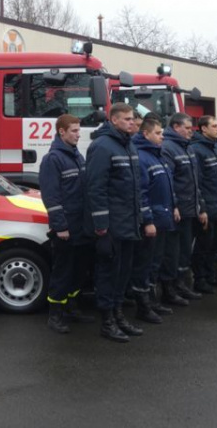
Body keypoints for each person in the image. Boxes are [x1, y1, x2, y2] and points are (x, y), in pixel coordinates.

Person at [85, 102, 144, 342]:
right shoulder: (101, 147)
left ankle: (119, 315)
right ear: (115, 120)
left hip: (129, 223)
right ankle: (107, 322)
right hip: (112, 227)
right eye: (128, 119)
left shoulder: (128, 145)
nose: (133, 122)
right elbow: (95, 189)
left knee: (123, 273)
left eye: (133, 119)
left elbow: (134, 188)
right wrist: (102, 227)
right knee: (109, 274)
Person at [40, 114, 93, 334]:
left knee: (78, 271)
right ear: (61, 132)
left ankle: (72, 307)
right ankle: (55, 315)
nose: (78, 135)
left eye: (78, 130)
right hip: (66, 229)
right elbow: (51, 198)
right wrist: (60, 226)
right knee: (62, 273)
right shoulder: (53, 159)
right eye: (74, 131)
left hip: (80, 227)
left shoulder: (76, 155)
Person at [129, 117, 179, 323]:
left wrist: (174, 206)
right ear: (146, 134)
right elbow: (142, 193)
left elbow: (166, 186)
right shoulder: (141, 157)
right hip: (152, 221)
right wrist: (148, 220)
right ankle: (143, 306)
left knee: (156, 262)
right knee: (146, 265)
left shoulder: (157, 156)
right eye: (158, 133)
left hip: (163, 217)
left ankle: (153, 301)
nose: (162, 136)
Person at [160, 113, 208, 305]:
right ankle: (170, 290)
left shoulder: (186, 147)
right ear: (176, 127)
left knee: (184, 252)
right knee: (173, 253)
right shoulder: (168, 148)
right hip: (177, 211)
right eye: (187, 128)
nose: (191, 132)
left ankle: (181, 285)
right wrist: (174, 206)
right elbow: (169, 182)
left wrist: (201, 206)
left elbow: (195, 182)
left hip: (190, 209)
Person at [189, 116, 217, 289]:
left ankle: (211, 275)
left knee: (215, 244)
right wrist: (203, 208)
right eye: (214, 126)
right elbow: (197, 182)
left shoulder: (215, 149)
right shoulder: (197, 150)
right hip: (208, 207)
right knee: (203, 245)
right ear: (203, 129)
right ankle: (200, 279)